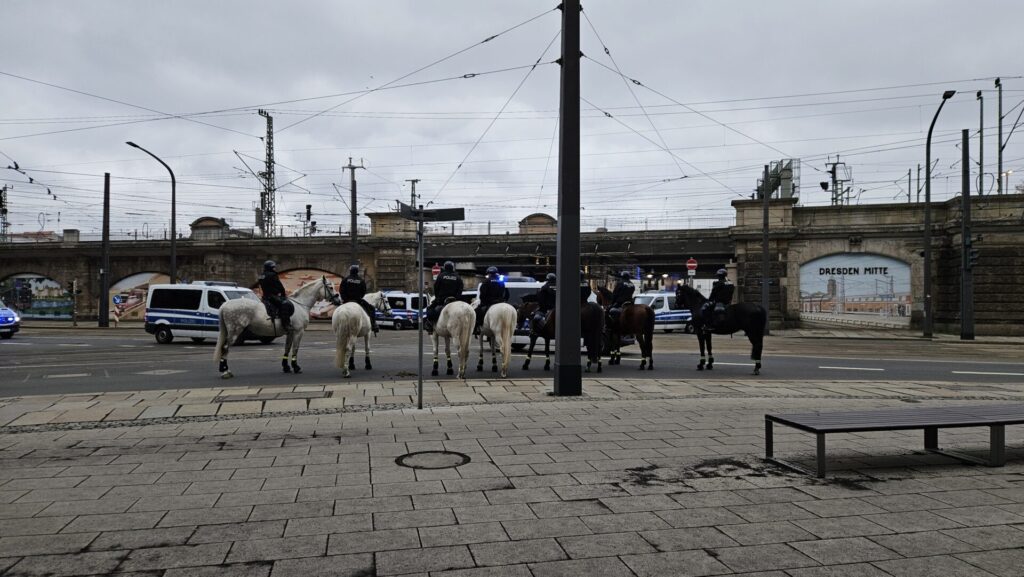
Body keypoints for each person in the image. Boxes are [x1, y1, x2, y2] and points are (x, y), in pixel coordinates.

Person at [425, 261, 463, 333]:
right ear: (453, 268)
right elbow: (460, 289)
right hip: (455, 300)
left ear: (445, 267)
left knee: (430, 309)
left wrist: (437, 298)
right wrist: (457, 298)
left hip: (442, 300)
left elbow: (436, 287)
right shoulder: (458, 277)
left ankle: (430, 325)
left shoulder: (441, 276)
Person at [340, 264, 379, 334]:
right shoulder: (361, 281)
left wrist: (345, 299)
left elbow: (341, 290)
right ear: (357, 271)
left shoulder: (345, 280)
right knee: (372, 309)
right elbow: (363, 292)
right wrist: (359, 297)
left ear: (350, 271)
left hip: (346, 301)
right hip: (358, 301)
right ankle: (373, 325)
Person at [259, 260, 293, 330]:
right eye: (273, 267)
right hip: (272, 296)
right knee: (285, 304)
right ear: (270, 267)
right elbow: (279, 286)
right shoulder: (272, 275)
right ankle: (286, 324)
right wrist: (283, 294)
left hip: (265, 297)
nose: (274, 268)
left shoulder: (261, 275)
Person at [476, 266, 508, 336]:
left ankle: (478, 327)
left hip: (489, 303)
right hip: (500, 302)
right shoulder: (501, 282)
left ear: (488, 273)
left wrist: (482, 303)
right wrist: (502, 300)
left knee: (477, 311)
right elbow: (505, 293)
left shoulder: (486, 282)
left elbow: (482, 294)